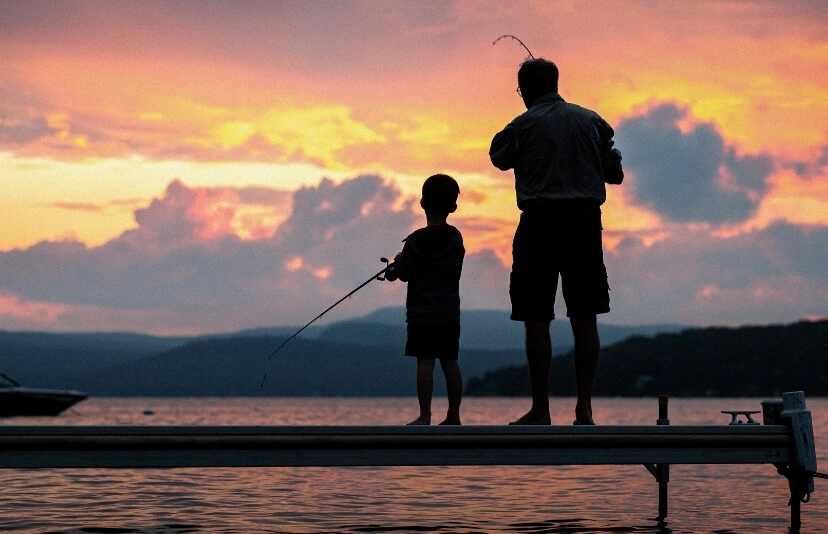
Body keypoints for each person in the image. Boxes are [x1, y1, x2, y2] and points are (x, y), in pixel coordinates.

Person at [489, 58, 623, 425]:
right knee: (585, 316)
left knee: (536, 318)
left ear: (525, 91)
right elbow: (615, 173)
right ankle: (584, 409)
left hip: (539, 224)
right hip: (584, 224)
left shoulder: (522, 125)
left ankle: (541, 409)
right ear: (555, 83)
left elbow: (498, 157)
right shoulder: (592, 122)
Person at [385, 174, 465, 425]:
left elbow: (404, 274)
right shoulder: (456, 239)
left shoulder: (414, 241)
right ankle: (454, 416)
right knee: (450, 363)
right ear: (453, 207)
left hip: (421, 316)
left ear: (422, 203)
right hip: (449, 315)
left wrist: (394, 267)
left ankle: (425, 416)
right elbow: (456, 270)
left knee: (425, 362)